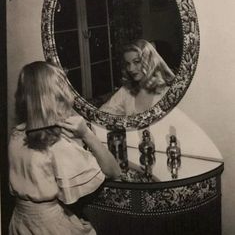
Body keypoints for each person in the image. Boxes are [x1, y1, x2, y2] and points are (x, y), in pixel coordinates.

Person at [8, 61, 121, 235]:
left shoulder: (16, 135)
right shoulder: (56, 145)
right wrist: (86, 134)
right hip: (49, 227)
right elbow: (114, 172)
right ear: (56, 96)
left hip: (20, 222)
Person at [100, 39, 175, 115]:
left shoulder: (168, 92)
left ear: (149, 61)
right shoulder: (126, 91)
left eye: (136, 62)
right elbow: (102, 114)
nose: (131, 69)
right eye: (128, 64)